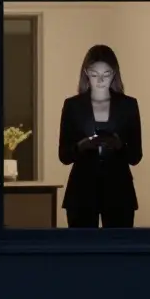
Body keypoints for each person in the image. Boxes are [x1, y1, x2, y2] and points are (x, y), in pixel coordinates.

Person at [57, 44, 143, 228]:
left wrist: (119, 145)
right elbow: (64, 155)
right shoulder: (73, 106)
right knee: (83, 252)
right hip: (81, 191)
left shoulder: (128, 105)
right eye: (95, 74)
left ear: (114, 74)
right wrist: (81, 146)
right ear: (86, 73)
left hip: (119, 191)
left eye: (107, 74)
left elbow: (136, 156)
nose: (101, 80)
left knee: (119, 251)